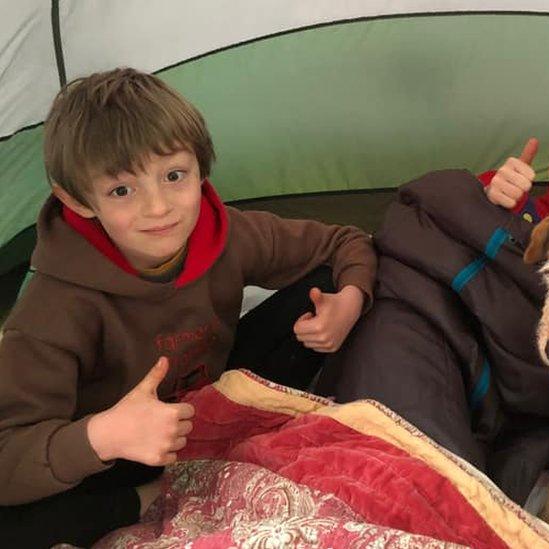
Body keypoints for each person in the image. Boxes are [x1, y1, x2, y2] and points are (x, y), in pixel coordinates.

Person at [0, 67, 377, 548]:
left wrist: (348, 302)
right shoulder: (52, 307)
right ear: (77, 200)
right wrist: (103, 436)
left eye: (174, 176)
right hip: (115, 454)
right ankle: (146, 499)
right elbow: (8, 452)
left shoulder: (227, 234)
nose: (158, 208)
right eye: (122, 190)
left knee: (326, 285)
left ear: (201, 169)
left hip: (210, 409)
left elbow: (344, 242)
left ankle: (224, 455)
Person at [323, 131, 549, 504]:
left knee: (429, 477)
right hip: (423, 316)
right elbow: (436, 216)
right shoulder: (512, 200)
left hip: (503, 381)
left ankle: (434, 502)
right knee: (401, 400)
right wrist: (488, 196)